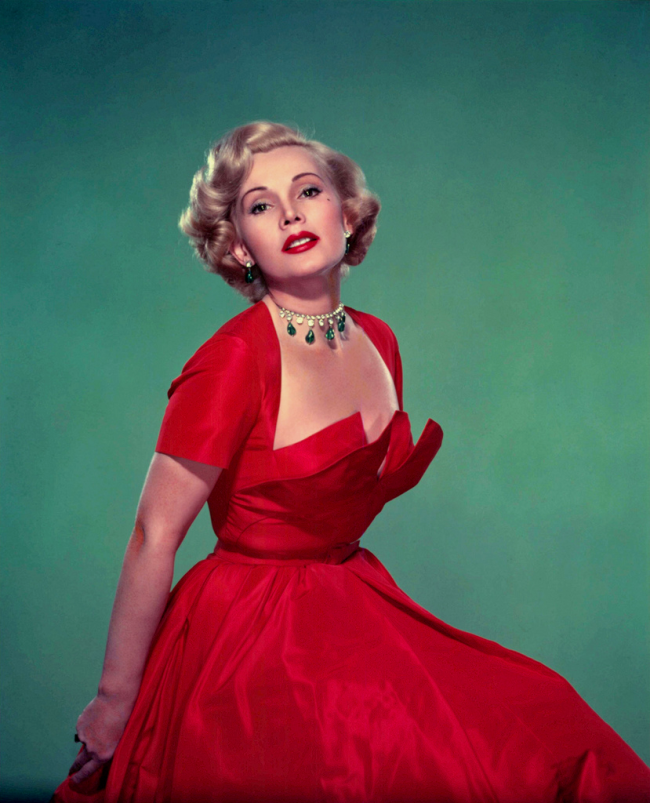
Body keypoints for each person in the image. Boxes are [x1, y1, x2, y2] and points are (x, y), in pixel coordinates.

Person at [51, 121, 650, 803]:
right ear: (239, 244)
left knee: (542, 731)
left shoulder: (379, 341)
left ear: (346, 212)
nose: (291, 214)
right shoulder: (232, 361)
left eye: (309, 191)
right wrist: (115, 697)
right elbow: (153, 533)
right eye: (260, 205)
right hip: (246, 640)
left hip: (351, 605)